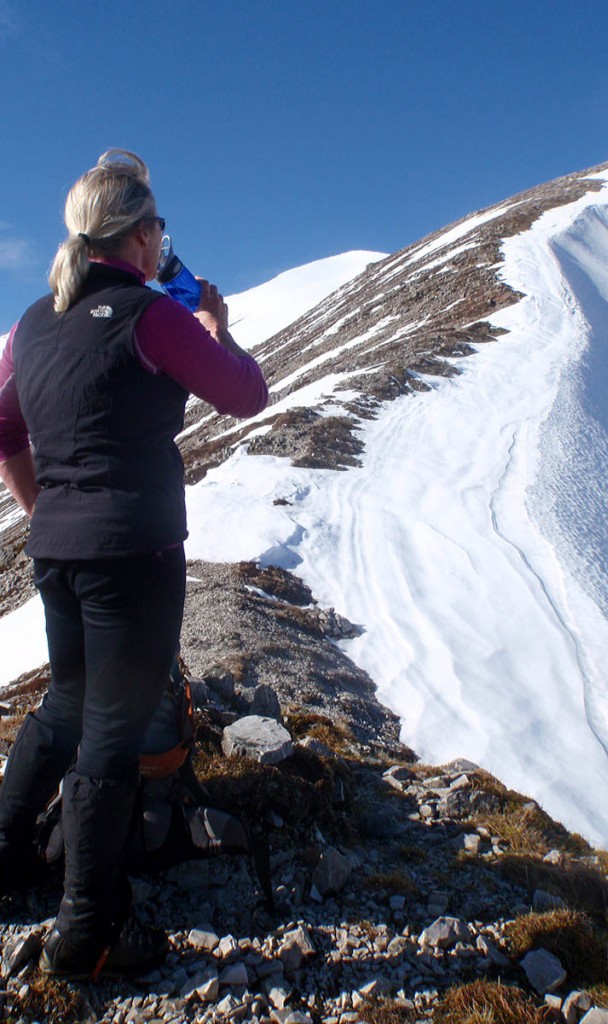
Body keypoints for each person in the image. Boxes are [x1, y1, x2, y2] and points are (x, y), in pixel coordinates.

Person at [0, 150, 268, 979]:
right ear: (143, 235)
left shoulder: (30, 324)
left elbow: (5, 432)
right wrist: (220, 330)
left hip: (60, 550)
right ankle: (90, 933)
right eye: (159, 231)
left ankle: (7, 857)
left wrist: (42, 507)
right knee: (111, 736)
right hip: (136, 554)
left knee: (68, 706)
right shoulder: (152, 316)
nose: (162, 245)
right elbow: (246, 395)